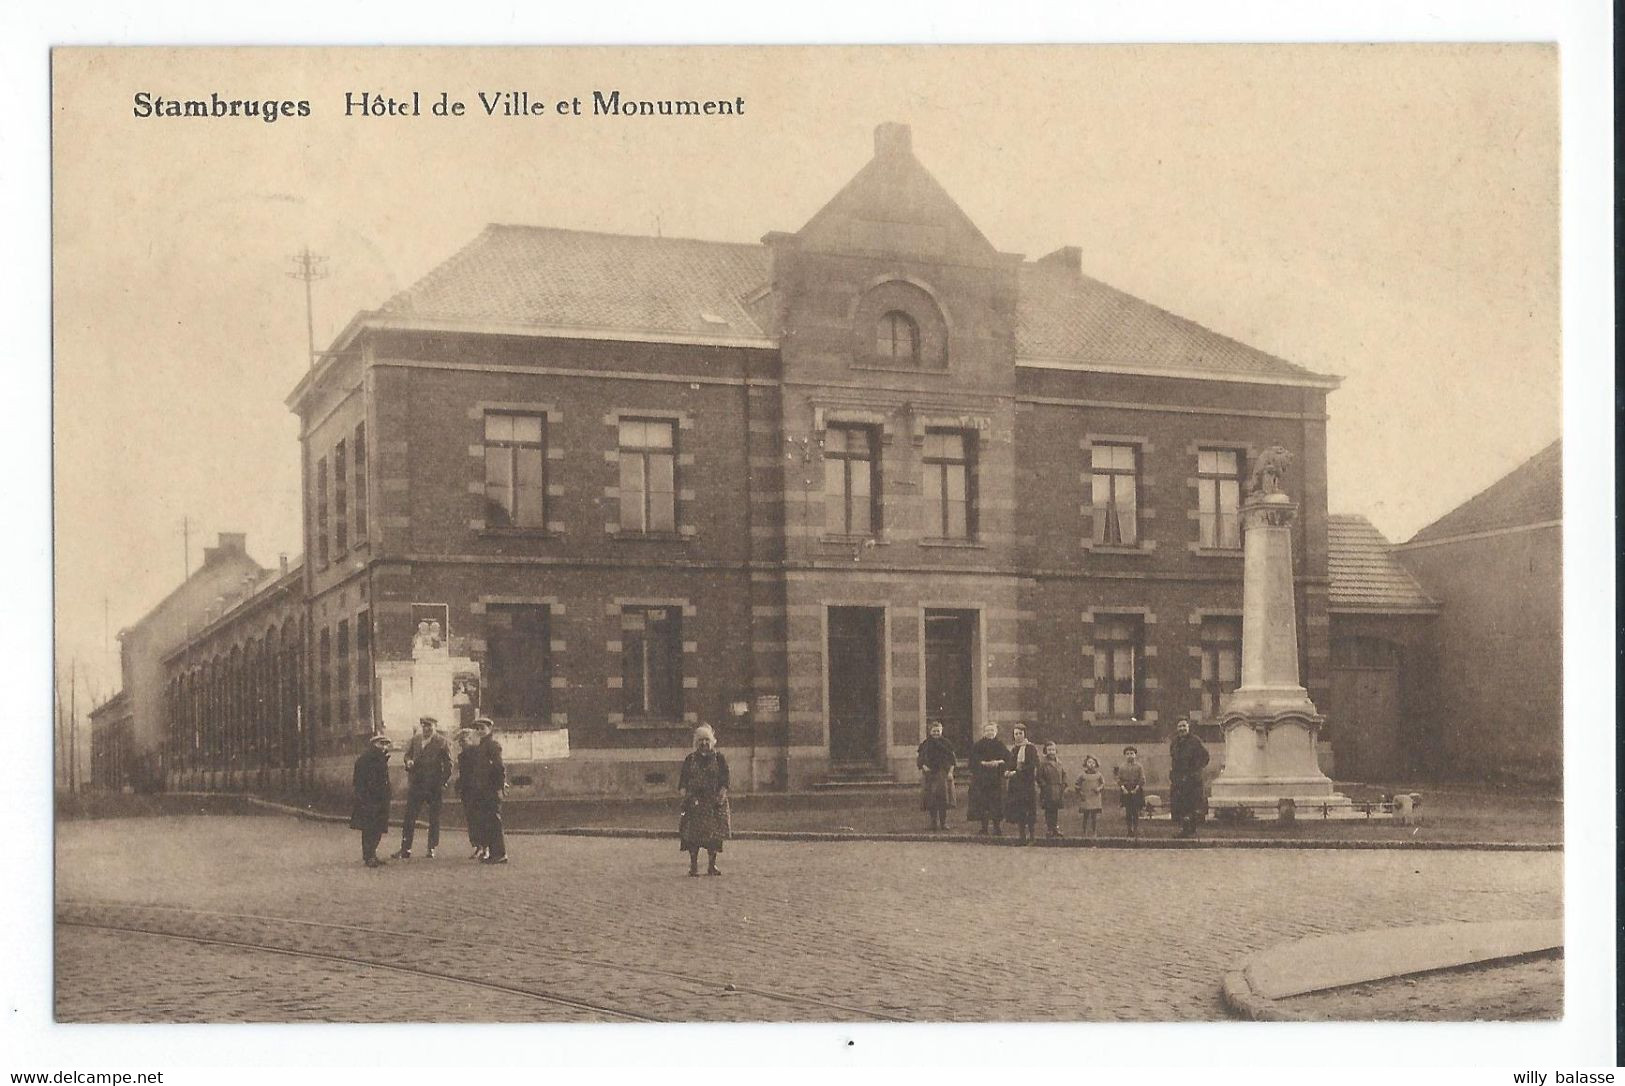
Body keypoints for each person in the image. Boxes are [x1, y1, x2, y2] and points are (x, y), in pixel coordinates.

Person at [394, 716, 453, 860]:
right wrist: (408, 762)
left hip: (434, 786)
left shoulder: (442, 742)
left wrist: (443, 782)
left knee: (434, 818)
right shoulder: (416, 740)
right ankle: (405, 848)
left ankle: (431, 847)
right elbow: (407, 755)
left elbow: (449, 765)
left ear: (435, 726)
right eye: (424, 725)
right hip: (417, 785)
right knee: (409, 817)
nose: (426, 728)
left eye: (429, 725)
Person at [678, 724, 730, 876]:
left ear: (712, 741)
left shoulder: (719, 758)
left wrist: (721, 794)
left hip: (713, 802)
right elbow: (683, 781)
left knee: (714, 836)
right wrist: (686, 796)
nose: (704, 744)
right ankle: (693, 866)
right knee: (692, 836)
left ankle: (712, 865)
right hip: (695, 802)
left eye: (707, 740)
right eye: (701, 740)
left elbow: (725, 779)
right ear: (696, 742)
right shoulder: (690, 759)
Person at [349, 733, 393, 868]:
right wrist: (364, 796)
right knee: (370, 829)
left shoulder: (380, 758)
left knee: (378, 828)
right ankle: (369, 856)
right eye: (381, 744)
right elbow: (359, 781)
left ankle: (372, 854)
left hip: (380, 799)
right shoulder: (366, 759)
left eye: (386, 744)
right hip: (370, 799)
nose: (384, 746)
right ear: (374, 744)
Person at [471, 717, 508, 864]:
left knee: (494, 821)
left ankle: (500, 853)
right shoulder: (481, 746)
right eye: (477, 729)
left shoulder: (493, 745)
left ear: (490, 729)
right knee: (487, 821)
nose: (480, 731)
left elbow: (499, 768)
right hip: (482, 790)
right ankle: (493, 853)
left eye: (482, 728)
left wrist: (499, 787)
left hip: (491, 789)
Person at [1168, 718, 1211, 838]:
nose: (1182, 729)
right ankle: (1184, 829)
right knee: (1180, 804)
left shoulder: (1195, 741)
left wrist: (1195, 770)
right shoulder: (1175, 742)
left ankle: (1191, 829)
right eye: (1179, 726)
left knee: (1192, 804)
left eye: (1184, 726)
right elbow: (1174, 759)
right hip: (1178, 779)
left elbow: (1205, 757)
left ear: (1188, 727)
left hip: (1192, 779)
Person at [968, 722, 1009, 836]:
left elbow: (1008, 758)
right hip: (982, 779)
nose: (990, 733)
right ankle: (984, 828)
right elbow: (972, 760)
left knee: (996, 803)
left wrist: (998, 762)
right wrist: (983, 763)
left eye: (992, 730)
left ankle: (997, 827)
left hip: (996, 779)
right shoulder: (978, 745)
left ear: (996, 732)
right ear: (984, 732)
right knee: (983, 803)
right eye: (987, 730)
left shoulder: (1000, 745)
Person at [916, 720, 957, 831]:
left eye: (938, 731)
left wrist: (950, 772)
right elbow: (920, 759)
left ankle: (943, 823)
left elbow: (953, 760)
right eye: (934, 731)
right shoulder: (925, 744)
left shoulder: (947, 743)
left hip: (942, 774)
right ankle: (933, 823)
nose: (936, 733)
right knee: (931, 799)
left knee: (943, 799)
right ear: (930, 731)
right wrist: (924, 766)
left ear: (941, 731)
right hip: (929, 774)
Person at [1004, 723, 1041, 843]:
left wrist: (1017, 772)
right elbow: (1011, 763)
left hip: (1027, 783)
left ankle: (1032, 836)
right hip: (1016, 784)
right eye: (1016, 734)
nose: (1018, 736)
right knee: (1019, 809)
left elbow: (1033, 765)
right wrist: (1008, 771)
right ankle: (1022, 837)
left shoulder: (1030, 748)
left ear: (1025, 734)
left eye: (1020, 733)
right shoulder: (1014, 749)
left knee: (1029, 809)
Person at [455, 728, 486, 859]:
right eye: (460, 741)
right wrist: (459, 786)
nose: (462, 743)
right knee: (471, 819)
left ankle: (485, 847)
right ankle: (477, 846)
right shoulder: (461, 756)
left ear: (470, 739)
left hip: (477, 790)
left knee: (480, 819)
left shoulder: (477, 752)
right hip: (467, 791)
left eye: (464, 740)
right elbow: (463, 774)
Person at [1037, 741, 1069, 839]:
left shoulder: (1059, 763)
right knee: (1049, 810)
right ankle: (1049, 829)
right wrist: (1044, 785)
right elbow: (1039, 776)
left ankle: (1055, 828)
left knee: (1055, 810)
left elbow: (1064, 774)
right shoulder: (1042, 763)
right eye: (1049, 750)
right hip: (1048, 789)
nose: (1051, 752)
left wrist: (1064, 785)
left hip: (1058, 789)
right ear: (1045, 751)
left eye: (1053, 750)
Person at [1116, 745, 1146, 838]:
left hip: (1136, 790)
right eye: (1127, 754)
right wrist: (1123, 788)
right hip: (1126, 790)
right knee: (1128, 811)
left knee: (1135, 811)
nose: (1130, 755)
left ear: (1135, 755)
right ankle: (1129, 830)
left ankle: (1136, 829)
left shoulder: (1139, 766)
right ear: (1125, 755)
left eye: (1132, 753)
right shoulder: (1122, 767)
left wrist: (1136, 788)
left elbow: (1142, 779)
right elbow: (1119, 779)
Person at [1075, 754, 1105, 837]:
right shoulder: (1082, 775)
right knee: (1085, 816)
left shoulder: (1099, 775)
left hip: (1095, 798)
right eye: (1089, 762)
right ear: (1086, 763)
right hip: (1086, 797)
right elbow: (1077, 785)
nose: (1091, 764)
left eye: (1093, 763)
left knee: (1094, 817)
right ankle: (1084, 831)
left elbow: (1103, 784)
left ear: (1096, 764)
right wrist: (1080, 792)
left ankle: (1094, 831)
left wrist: (1099, 788)